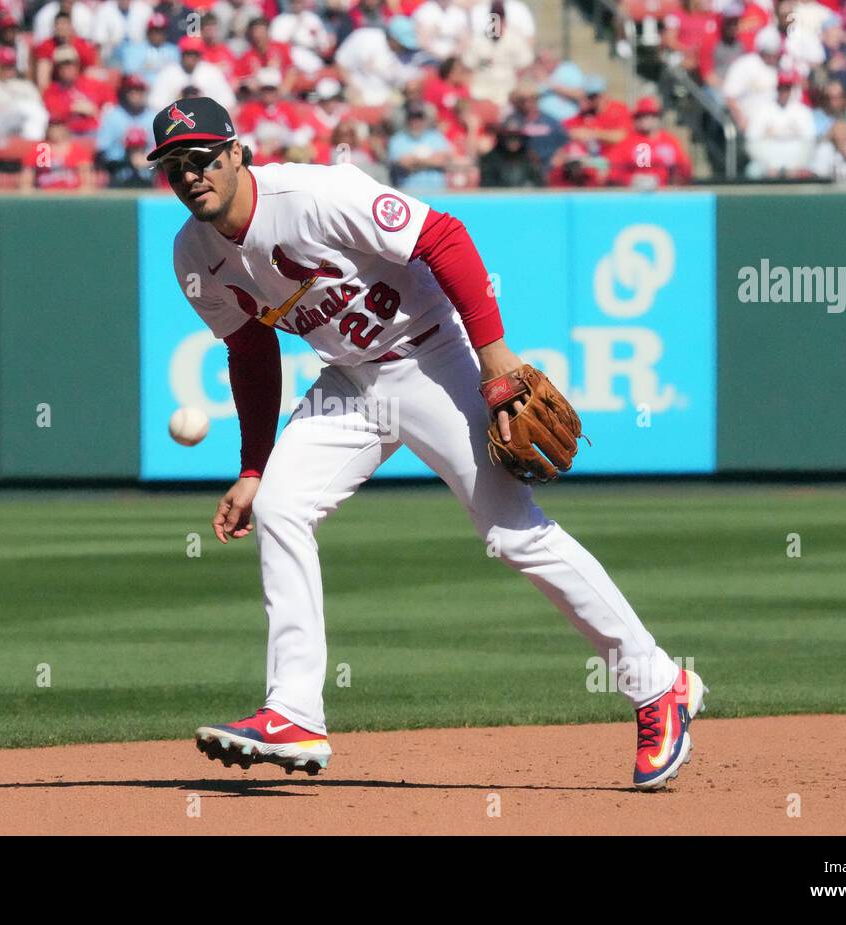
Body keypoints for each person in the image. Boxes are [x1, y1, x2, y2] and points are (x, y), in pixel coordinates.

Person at [157, 96, 707, 788]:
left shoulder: (314, 194)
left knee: (516, 535)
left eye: (202, 156)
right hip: (351, 379)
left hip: (431, 354)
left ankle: (658, 682)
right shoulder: (192, 253)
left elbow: (441, 235)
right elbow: (250, 349)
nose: (191, 173)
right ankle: (293, 711)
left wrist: (496, 361)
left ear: (237, 152)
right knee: (280, 507)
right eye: (175, 165)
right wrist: (253, 466)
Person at [606, 96, 694, 187]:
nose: (646, 119)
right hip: (634, 194)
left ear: (659, 117)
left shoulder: (669, 141)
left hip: (664, 193)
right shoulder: (627, 142)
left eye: (651, 115)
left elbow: (684, 169)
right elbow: (613, 173)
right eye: (641, 115)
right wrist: (630, 179)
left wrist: (674, 183)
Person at [745, 71, 817, 177]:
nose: (784, 92)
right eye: (781, 88)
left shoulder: (803, 111)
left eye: (787, 88)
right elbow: (751, 139)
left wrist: (798, 165)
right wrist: (767, 165)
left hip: (796, 160)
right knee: (752, 171)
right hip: (767, 160)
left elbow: (810, 141)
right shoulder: (763, 110)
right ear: (777, 89)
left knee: (814, 168)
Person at [477, 116, 543, 187]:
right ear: (502, 138)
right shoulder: (490, 159)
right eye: (509, 136)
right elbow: (487, 185)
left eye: (516, 137)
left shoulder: (530, 158)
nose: (513, 141)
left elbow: (538, 184)